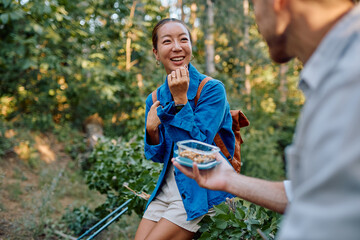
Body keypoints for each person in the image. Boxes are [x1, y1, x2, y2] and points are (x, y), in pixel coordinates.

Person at [173, 0, 360, 239]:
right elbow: (315, 193)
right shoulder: (335, 71)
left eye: (254, 4)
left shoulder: (350, 78)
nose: (255, 19)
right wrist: (229, 180)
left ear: (278, 3)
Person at [134, 18, 236, 240]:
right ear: (156, 53)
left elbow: (196, 151)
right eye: (167, 41)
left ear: (191, 46)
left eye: (183, 39)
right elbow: (156, 156)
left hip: (201, 189)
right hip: (168, 188)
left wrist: (181, 100)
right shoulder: (154, 98)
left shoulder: (211, 90)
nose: (177, 47)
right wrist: (152, 131)